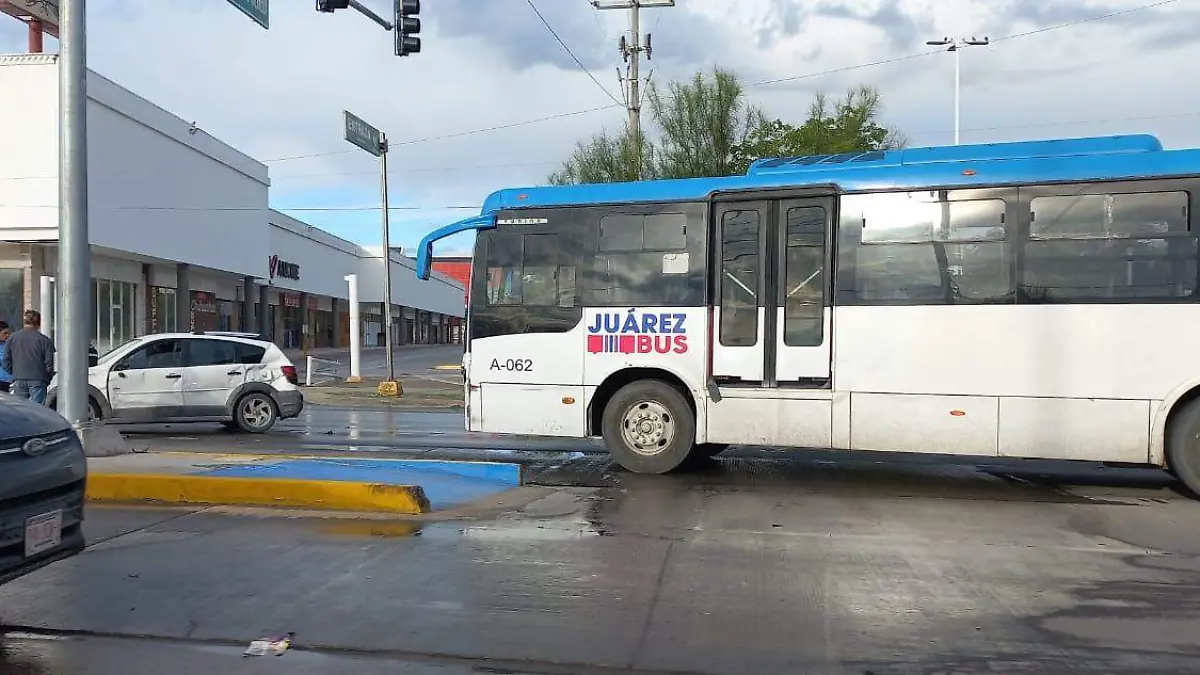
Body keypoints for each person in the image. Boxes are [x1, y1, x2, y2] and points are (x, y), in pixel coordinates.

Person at [1, 310, 55, 405]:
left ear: (25, 322)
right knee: (37, 410)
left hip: (19, 378)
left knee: (21, 409)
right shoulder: (45, 340)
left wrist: (14, 372)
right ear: (38, 323)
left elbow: (5, 361)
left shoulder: (12, 338)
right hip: (38, 379)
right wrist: (47, 378)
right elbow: (50, 363)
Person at [0, 320, 11, 394]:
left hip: (8, 380)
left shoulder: (9, 345)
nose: (7, 335)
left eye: (8, 333)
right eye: (5, 333)